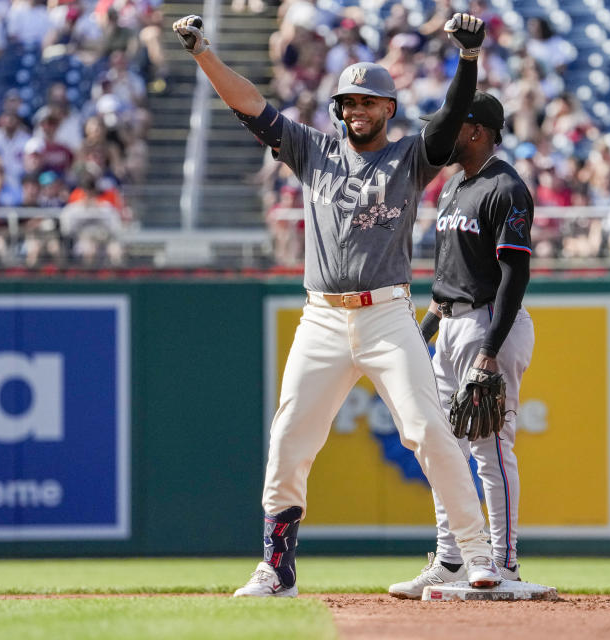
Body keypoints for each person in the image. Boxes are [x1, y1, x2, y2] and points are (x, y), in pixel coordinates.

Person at [173, 11, 502, 598]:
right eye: (349, 102)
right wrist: (204, 54)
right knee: (290, 437)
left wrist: (468, 60)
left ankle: (477, 555)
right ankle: (277, 568)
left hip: (385, 314)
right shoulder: (311, 150)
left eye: (369, 102)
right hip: (322, 316)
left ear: (388, 109)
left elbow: (451, 116)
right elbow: (250, 105)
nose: (357, 111)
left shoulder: (410, 157)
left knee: (428, 430)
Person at [388, 92, 535, 599]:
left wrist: (489, 351)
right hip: (450, 323)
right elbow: (446, 281)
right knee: (442, 448)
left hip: (489, 322)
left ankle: (504, 562)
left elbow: (515, 276)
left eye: (452, 125)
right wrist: (419, 334)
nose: (442, 134)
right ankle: (452, 558)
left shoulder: (505, 187)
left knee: (491, 447)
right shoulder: (453, 187)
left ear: (476, 130)